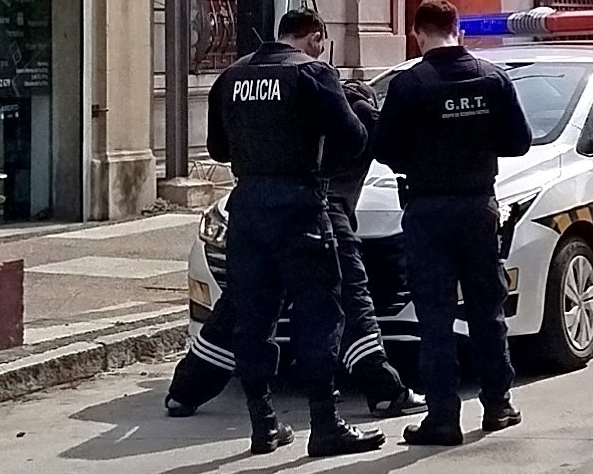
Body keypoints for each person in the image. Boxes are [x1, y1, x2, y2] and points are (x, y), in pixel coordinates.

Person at [164, 74, 426, 421]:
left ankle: (184, 393)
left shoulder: (299, 105)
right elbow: (396, 149)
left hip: (268, 214)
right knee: (350, 304)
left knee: (238, 307)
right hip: (325, 216)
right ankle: (383, 392)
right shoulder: (361, 113)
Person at [205, 9, 386, 457]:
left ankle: (263, 423)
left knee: (253, 318)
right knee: (318, 314)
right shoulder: (314, 73)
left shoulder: (231, 76)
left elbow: (217, 149)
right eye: (321, 43)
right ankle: (325, 425)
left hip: (246, 206)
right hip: (301, 206)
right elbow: (354, 138)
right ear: (314, 37)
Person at [372, 0, 534, 447]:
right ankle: (499, 403)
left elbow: (383, 148)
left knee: (436, 317)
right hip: (479, 207)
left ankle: (443, 418)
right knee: (487, 308)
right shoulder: (492, 78)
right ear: (457, 29)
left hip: (427, 211)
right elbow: (518, 142)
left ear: (418, 33)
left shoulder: (410, 84)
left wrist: (422, 155)